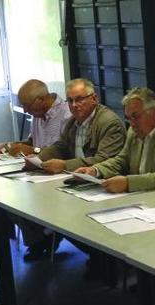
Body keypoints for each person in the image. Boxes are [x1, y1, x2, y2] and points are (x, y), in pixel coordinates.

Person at [18, 78, 125, 261]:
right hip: (79, 180)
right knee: (27, 202)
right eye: (71, 101)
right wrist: (37, 159)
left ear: (94, 99)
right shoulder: (73, 122)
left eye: (80, 99)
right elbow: (60, 146)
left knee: (62, 215)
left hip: (103, 184)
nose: (75, 105)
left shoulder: (109, 123)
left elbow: (104, 160)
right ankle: (44, 239)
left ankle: (103, 257)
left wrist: (65, 165)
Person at [74, 87, 155, 193]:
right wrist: (95, 170)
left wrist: (128, 182)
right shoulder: (134, 130)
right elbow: (122, 160)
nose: (132, 123)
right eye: (128, 118)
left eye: (136, 116)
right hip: (141, 196)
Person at [3, 79, 72, 156]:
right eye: (23, 105)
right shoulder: (38, 114)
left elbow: (65, 154)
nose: (25, 110)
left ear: (42, 99)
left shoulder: (67, 114)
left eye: (27, 105)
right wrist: (14, 146)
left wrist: (33, 150)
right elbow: (32, 142)